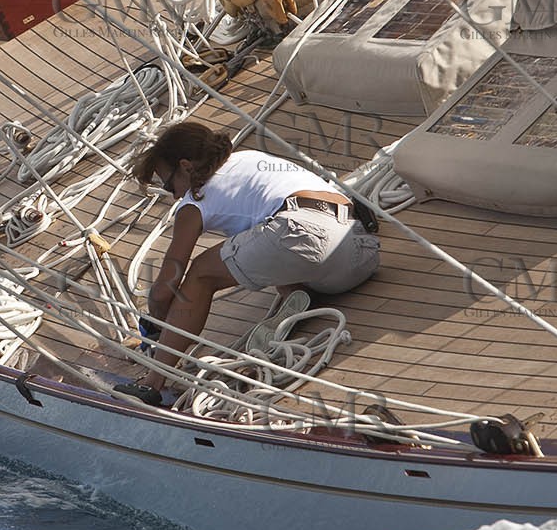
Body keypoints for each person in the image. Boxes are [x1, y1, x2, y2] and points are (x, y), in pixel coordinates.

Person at [115, 122, 380, 406]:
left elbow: (168, 283)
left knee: (202, 273)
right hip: (360, 253)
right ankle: (294, 293)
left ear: (186, 167)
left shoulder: (195, 200)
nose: (175, 195)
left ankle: (153, 383)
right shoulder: (251, 158)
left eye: (170, 184)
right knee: (263, 236)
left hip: (303, 232)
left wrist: (157, 324)